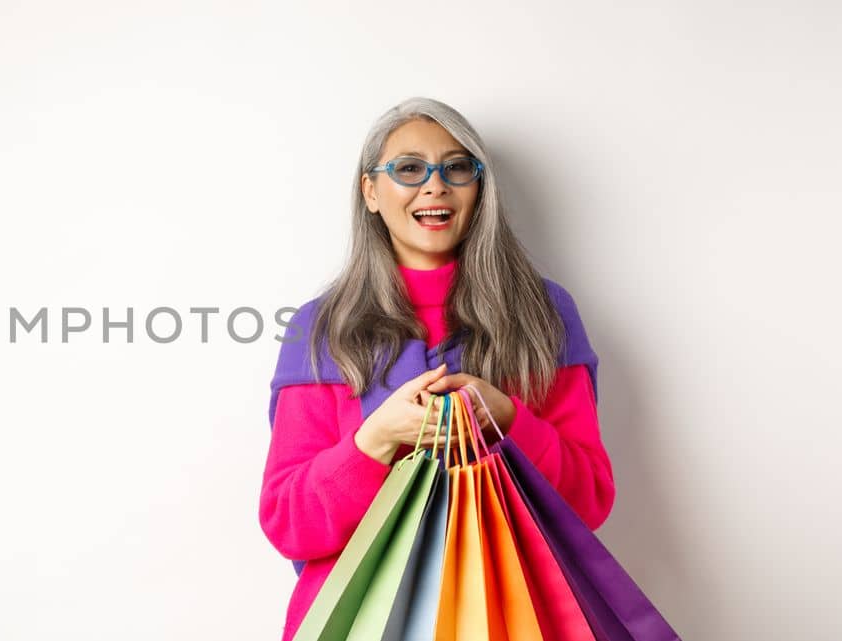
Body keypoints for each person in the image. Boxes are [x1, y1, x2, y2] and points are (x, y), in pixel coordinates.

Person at [258, 97, 616, 641]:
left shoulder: (545, 313)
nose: (435, 185)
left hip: (517, 621)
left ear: (479, 188)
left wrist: (506, 417)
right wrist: (375, 440)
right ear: (371, 192)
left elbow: (588, 500)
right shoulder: (320, 327)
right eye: (408, 169)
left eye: (456, 167)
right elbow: (289, 523)